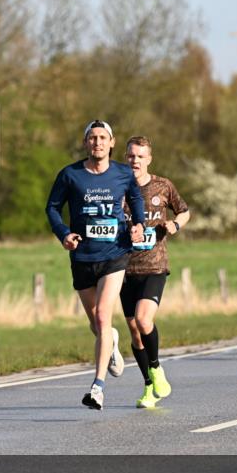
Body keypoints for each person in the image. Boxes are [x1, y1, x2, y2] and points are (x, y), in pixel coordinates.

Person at [46, 120, 145, 410]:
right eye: (92, 138)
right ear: (86, 142)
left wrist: (138, 224)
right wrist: (64, 234)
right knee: (97, 324)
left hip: (115, 253)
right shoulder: (70, 175)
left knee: (103, 315)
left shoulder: (123, 174)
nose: (98, 143)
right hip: (82, 257)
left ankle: (97, 387)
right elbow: (52, 207)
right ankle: (111, 342)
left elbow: (135, 198)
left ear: (112, 143)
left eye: (103, 138)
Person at [119, 136, 191, 408]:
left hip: (154, 266)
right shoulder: (117, 187)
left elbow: (184, 211)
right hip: (124, 269)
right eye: (131, 156)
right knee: (134, 333)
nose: (135, 160)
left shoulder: (163, 185)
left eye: (140, 156)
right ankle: (149, 386)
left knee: (143, 320)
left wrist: (175, 225)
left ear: (149, 159)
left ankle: (157, 368)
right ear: (126, 158)